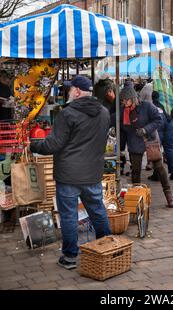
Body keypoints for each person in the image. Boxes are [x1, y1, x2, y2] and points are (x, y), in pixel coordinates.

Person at [29, 75, 111, 270]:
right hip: (91, 172)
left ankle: (70, 257)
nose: (67, 92)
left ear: (76, 91)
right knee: (98, 211)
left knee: (68, 216)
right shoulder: (104, 112)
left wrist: (33, 144)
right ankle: (108, 247)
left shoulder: (68, 114)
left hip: (69, 175)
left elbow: (53, 144)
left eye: (69, 89)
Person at [114, 83, 173, 208]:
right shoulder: (123, 111)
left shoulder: (147, 106)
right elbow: (121, 128)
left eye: (125, 100)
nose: (123, 102)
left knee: (159, 168)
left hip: (150, 139)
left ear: (132, 98)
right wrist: (120, 147)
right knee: (135, 171)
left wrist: (146, 129)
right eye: (122, 100)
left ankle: (168, 194)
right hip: (134, 142)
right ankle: (137, 199)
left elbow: (158, 119)